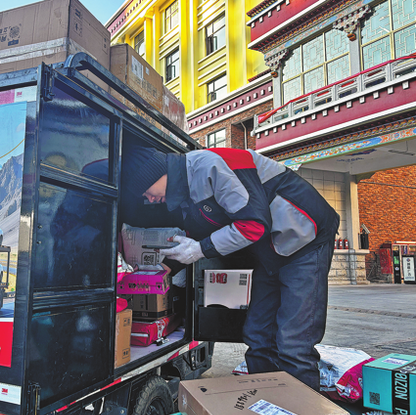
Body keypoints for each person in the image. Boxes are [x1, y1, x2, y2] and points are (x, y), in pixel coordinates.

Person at [122, 146, 339, 390]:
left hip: (304, 237)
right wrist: (163, 269)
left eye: (146, 191)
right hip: (272, 251)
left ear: (156, 174)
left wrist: (200, 250)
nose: (149, 199)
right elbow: (202, 233)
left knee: (294, 343)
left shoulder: (211, 166)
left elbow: (253, 226)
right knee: (258, 334)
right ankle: (269, 404)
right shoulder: (186, 194)